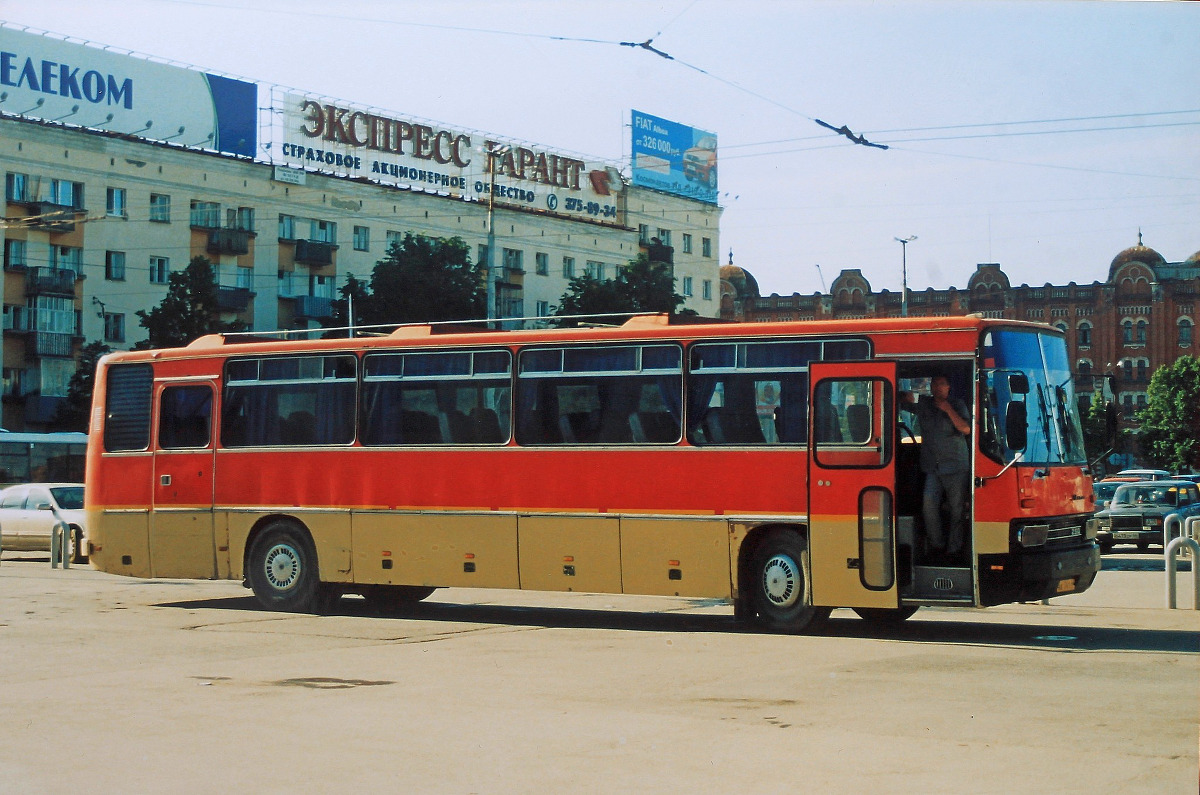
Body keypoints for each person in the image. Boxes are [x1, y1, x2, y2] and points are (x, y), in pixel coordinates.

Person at [901, 374, 972, 563]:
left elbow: (966, 429)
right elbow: (906, 405)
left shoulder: (957, 405)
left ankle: (954, 550)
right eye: (934, 384)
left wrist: (948, 410)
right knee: (928, 506)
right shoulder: (925, 404)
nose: (937, 387)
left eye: (941, 384)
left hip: (955, 465)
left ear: (949, 387)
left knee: (957, 510)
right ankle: (937, 545)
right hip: (932, 466)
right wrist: (902, 395)